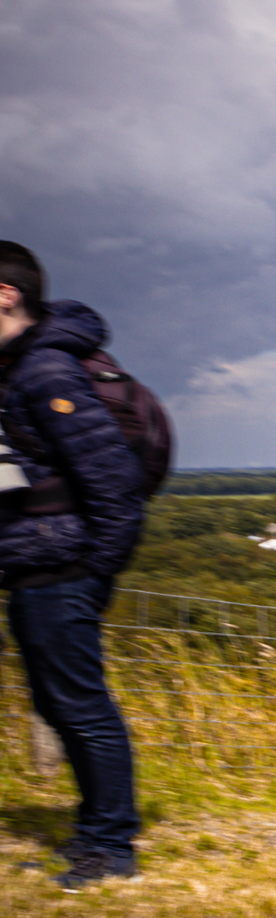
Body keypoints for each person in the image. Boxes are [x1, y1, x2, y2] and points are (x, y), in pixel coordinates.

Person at [0, 241, 147, 885]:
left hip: (64, 572)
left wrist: (96, 576)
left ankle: (111, 850)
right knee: (63, 705)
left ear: (5, 295)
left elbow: (114, 485)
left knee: (82, 708)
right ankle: (95, 835)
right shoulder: (18, 369)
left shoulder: (46, 374)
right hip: (38, 568)